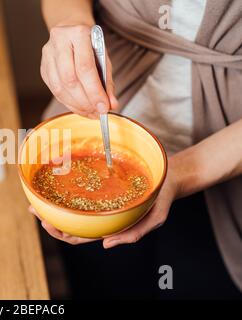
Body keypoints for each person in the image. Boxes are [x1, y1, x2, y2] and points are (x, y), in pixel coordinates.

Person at [34, 0, 242, 299]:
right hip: (98, 118)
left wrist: (183, 172)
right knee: (100, 284)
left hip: (225, 168)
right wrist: (69, 21)